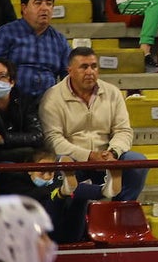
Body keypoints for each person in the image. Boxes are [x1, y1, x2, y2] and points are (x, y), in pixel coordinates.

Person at [39, 47, 147, 201]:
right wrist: (88, 156)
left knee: (137, 161)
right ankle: (98, 194)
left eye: (94, 66)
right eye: (84, 67)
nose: (90, 72)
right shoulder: (52, 97)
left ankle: (121, 207)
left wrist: (113, 152)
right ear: (70, 71)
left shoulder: (112, 92)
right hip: (72, 159)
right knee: (61, 161)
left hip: (106, 156)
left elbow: (123, 130)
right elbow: (53, 140)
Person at [0, 0, 70, 98]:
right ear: (24, 8)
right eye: (38, 3)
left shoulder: (59, 40)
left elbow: (70, 75)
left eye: (49, 3)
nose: (44, 8)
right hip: (12, 100)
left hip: (49, 101)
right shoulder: (5, 34)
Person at [0, 58, 43, 164]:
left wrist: (4, 139)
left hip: (23, 153)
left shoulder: (25, 102)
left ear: (12, 82)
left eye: (2, 76)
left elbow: (37, 136)